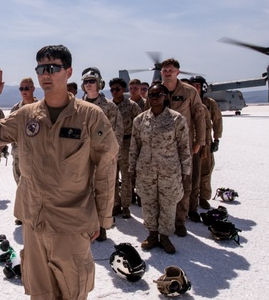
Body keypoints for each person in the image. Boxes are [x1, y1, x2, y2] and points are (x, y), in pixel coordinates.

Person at [0, 46, 118, 300]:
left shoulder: (89, 116)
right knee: (40, 291)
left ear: (68, 72)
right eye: (41, 67)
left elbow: (106, 166)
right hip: (34, 220)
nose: (46, 73)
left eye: (54, 67)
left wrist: (102, 218)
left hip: (72, 220)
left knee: (74, 292)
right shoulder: (27, 116)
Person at [129, 83, 192, 254]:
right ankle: (152, 234)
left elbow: (184, 146)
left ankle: (164, 236)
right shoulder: (140, 120)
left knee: (168, 204)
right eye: (151, 95)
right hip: (146, 170)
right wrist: (132, 168)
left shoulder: (176, 119)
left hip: (169, 170)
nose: (155, 98)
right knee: (148, 202)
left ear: (165, 97)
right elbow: (135, 146)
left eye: (158, 95)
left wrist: (186, 171)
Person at [157, 59, 207, 236]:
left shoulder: (189, 91)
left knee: (185, 185)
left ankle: (179, 220)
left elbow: (200, 116)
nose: (167, 73)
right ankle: (164, 219)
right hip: (161, 147)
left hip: (183, 146)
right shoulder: (156, 91)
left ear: (178, 72)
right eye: (164, 70)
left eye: (171, 70)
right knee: (162, 185)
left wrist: (199, 142)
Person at [80, 67, 123, 235]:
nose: (88, 84)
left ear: (99, 84)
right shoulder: (77, 106)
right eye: (86, 82)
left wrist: (111, 155)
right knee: (83, 190)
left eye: (92, 81)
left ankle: (102, 225)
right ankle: (86, 224)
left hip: (103, 155)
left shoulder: (109, 107)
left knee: (103, 190)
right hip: (81, 156)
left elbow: (117, 132)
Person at [188, 76, 224, 213]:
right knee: (191, 173)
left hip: (206, 143)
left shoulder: (210, 103)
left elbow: (218, 121)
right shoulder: (189, 102)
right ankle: (191, 198)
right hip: (192, 142)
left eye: (197, 86)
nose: (195, 88)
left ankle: (203, 197)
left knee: (206, 171)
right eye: (192, 86)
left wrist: (217, 139)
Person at [109, 77, 140, 219]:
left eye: (117, 89)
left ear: (123, 89)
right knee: (112, 176)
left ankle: (126, 206)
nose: (115, 92)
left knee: (126, 176)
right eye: (112, 89)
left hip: (127, 143)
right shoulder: (108, 106)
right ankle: (115, 204)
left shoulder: (132, 106)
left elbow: (139, 125)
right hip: (112, 144)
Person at [8, 77, 38, 185]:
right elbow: (9, 130)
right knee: (20, 186)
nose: (24, 91)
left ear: (33, 89)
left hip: (37, 156)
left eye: (26, 88)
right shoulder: (15, 109)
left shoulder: (42, 108)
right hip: (18, 155)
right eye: (21, 89)